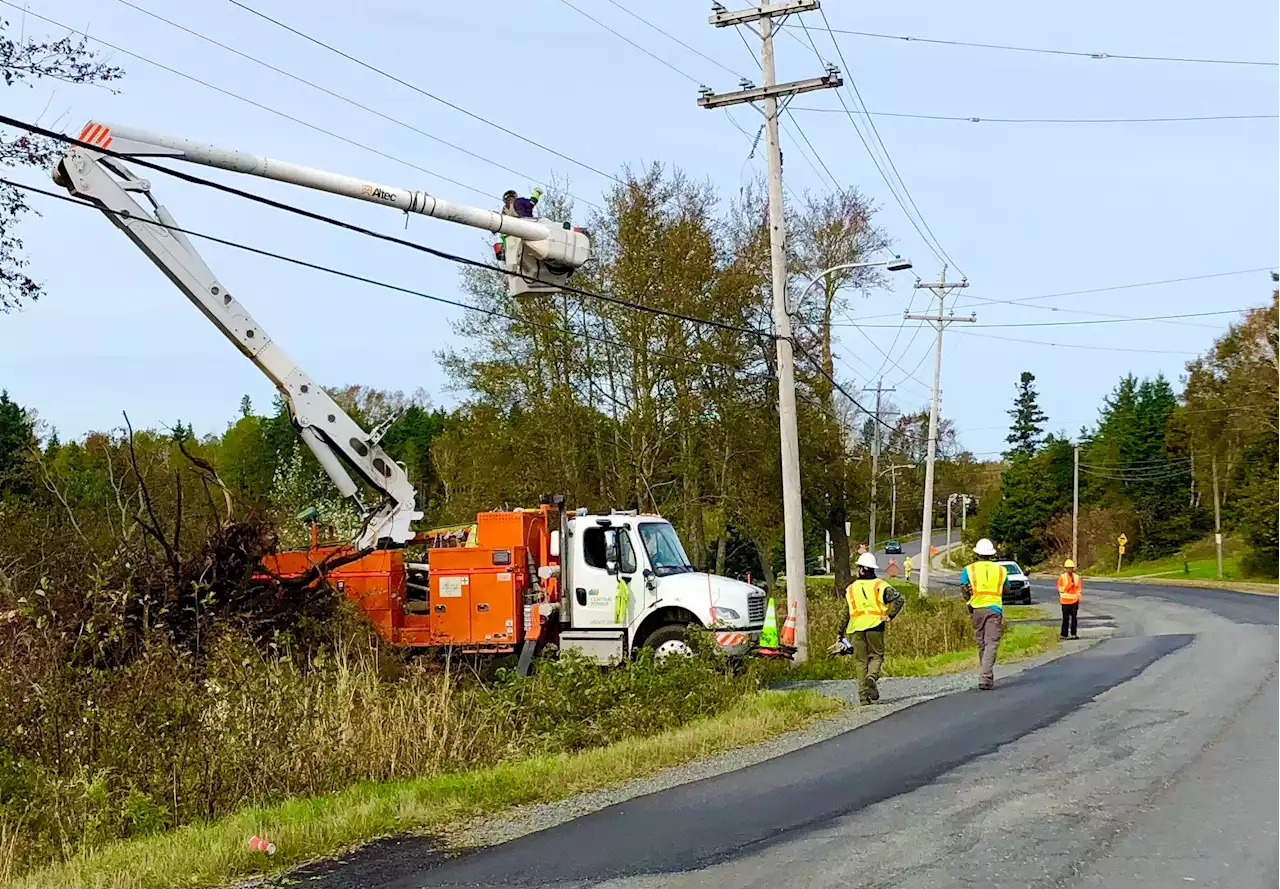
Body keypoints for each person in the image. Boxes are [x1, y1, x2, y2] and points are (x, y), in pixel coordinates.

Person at [838, 552, 905, 705]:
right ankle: (872, 677)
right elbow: (899, 599)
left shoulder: (851, 588)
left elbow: (845, 612)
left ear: (862, 569)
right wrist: (890, 615)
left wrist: (839, 632)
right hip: (875, 625)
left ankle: (863, 698)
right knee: (876, 656)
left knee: (860, 662)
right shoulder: (880, 585)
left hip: (855, 628)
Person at [960, 538, 1008, 690]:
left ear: (977, 554)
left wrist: (970, 600)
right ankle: (985, 676)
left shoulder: (968, 570)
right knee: (991, 643)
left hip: (976, 609)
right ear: (992, 554)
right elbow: (1005, 589)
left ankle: (985, 675)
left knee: (981, 643)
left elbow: (964, 590)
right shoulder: (1001, 570)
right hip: (994, 608)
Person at [1058, 558, 1082, 640]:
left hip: (1074, 601)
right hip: (1065, 601)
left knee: (1074, 617)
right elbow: (1060, 589)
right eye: (1068, 568)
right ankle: (1064, 634)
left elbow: (1078, 588)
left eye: (1071, 568)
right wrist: (1068, 586)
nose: (1070, 569)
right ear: (1065, 568)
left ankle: (1073, 634)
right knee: (1065, 618)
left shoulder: (1077, 577)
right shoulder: (1062, 577)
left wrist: (1078, 597)